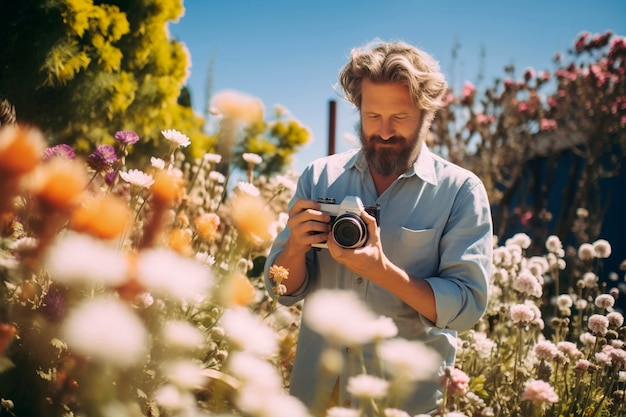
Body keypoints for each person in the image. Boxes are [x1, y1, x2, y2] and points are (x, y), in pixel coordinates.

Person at [264, 39, 492, 415]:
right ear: (359, 109)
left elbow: (466, 306)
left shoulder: (460, 192)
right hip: (317, 397)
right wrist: (296, 248)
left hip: (403, 403)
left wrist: (381, 271)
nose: (384, 131)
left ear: (425, 113)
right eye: (373, 116)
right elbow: (281, 290)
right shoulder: (320, 178)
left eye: (399, 118)